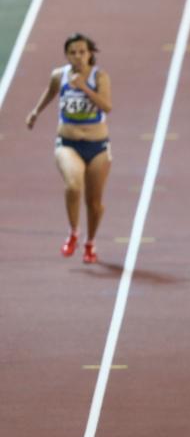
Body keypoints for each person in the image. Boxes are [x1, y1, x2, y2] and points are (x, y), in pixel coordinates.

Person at [26, 33, 113, 264]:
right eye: (72, 52)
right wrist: (36, 111)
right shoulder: (59, 75)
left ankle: (90, 243)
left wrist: (84, 88)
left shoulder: (99, 76)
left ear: (89, 54)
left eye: (82, 52)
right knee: (74, 186)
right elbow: (50, 92)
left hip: (98, 146)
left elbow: (107, 106)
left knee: (94, 202)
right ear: (67, 55)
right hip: (68, 143)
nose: (78, 56)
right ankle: (73, 232)